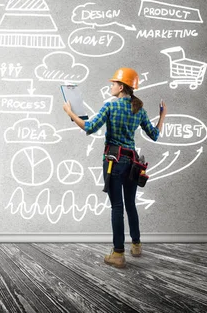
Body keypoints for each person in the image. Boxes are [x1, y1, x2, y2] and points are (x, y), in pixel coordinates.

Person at [62, 67, 167, 268]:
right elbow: (154, 135)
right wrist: (162, 116)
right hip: (133, 163)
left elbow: (90, 128)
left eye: (113, 84)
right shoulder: (139, 110)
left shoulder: (110, 107)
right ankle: (136, 244)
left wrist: (69, 112)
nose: (111, 87)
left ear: (121, 87)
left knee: (117, 206)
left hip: (113, 161)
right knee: (130, 204)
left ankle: (118, 254)